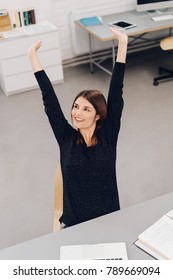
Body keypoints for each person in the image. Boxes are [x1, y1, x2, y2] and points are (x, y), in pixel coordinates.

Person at [27, 27, 128, 228]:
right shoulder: (66, 138)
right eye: (75, 107)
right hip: (75, 225)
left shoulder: (108, 135)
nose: (77, 113)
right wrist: (33, 58)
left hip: (109, 220)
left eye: (85, 109)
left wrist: (123, 43)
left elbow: (116, 90)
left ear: (98, 115)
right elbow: (50, 101)